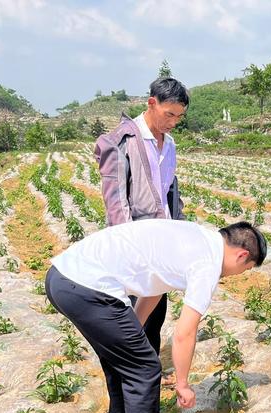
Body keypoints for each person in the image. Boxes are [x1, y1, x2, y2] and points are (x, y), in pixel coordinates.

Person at [45, 220, 266, 413]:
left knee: (122, 360)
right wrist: (183, 384)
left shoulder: (195, 238)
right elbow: (185, 332)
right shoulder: (208, 263)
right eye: (245, 269)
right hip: (87, 287)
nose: (237, 275)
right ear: (242, 255)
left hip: (62, 278)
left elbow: (152, 288)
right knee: (145, 368)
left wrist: (131, 332)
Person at [94, 76, 189, 356]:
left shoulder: (169, 144)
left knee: (156, 314)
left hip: (161, 241)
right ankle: (133, 379)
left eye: (179, 117)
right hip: (135, 243)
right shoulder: (121, 141)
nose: (173, 122)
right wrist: (129, 247)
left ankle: (150, 377)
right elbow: (116, 200)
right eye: (168, 114)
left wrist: (180, 232)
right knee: (132, 316)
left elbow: (170, 191)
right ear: (151, 103)